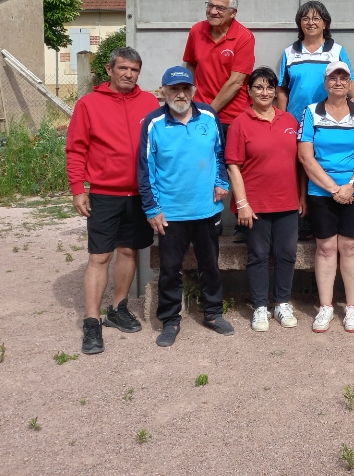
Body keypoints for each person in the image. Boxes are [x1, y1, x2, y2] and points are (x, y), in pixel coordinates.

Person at [66, 46, 160, 355]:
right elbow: (76, 149)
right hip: (105, 193)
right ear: (109, 69)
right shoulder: (89, 104)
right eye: (123, 68)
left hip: (139, 194)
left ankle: (118, 308)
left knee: (129, 252)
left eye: (134, 70)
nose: (129, 74)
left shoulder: (149, 102)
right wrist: (78, 188)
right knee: (99, 256)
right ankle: (92, 321)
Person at [139, 66, 233, 347]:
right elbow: (146, 168)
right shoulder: (153, 123)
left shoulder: (208, 116)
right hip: (171, 213)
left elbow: (220, 153)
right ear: (163, 92)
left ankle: (213, 313)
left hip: (207, 209)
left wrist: (222, 182)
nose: (179, 94)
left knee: (210, 265)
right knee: (170, 269)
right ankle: (170, 319)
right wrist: (152, 208)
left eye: (184, 89)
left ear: (193, 90)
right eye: (173, 89)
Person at [225, 66, 306, 332]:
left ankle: (282, 302)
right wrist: (242, 203)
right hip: (255, 205)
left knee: (287, 254)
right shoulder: (240, 123)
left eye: (269, 87)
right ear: (249, 91)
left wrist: (302, 197)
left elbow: (301, 163)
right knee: (258, 255)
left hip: (287, 202)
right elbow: (233, 166)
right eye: (258, 87)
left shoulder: (290, 121)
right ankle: (260, 306)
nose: (264, 92)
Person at [298, 62, 354, 333]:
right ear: (326, 82)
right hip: (321, 191)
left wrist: (351, 185)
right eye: (333, 78)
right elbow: (305, 156)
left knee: (350, 247)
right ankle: (326, 306)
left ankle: (352, 307)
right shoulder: (311, 112)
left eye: (344, 77)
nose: (338, 82)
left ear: (350, 82)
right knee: (326, 248)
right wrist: (333, 189)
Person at [182, 0, 256, 134]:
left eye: (220, 8)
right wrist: (190, 97)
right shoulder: (197, 30)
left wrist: (208, 113)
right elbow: (190, 64)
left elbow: (236, 82)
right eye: (210, 6)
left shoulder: (244, 37)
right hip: (198, 111)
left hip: (231, 118)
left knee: (229, 158)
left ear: (233, 13)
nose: (213, 11)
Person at [276, 0, 354, 124]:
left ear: (325, 24)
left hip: (328, 120)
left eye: (316, 18)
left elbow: (350, 81)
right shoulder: (289, 53)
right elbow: (282, 89)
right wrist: (282, 118)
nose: (311, 23)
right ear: (300, 24)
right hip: (296, 119)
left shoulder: (337, 50)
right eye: (305, 19)